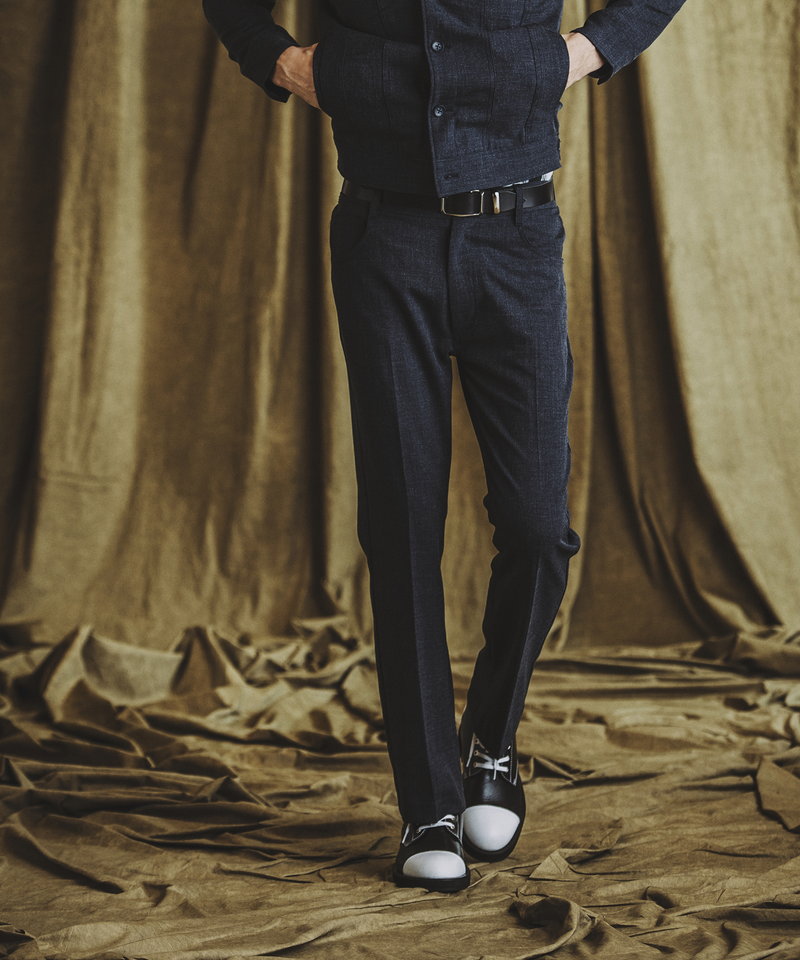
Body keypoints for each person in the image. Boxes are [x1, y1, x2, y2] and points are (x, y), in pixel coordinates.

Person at [202, 0, 688, 893]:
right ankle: (427, 805)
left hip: (517, 239)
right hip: (383, 240)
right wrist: (286, 62)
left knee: (538, 529)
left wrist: (584, 53)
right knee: (402, 529)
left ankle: (491, 742)